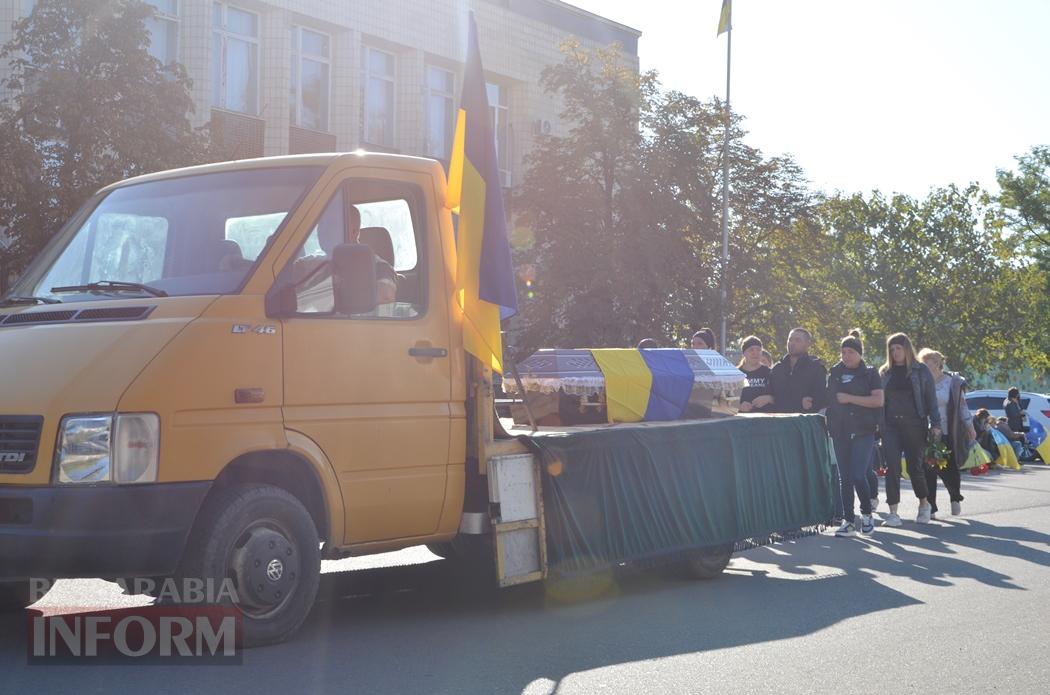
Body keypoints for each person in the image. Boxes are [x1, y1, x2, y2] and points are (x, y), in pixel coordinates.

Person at [879, 333, 940, 526]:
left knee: (915, 468)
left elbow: (931, 400)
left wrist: (936, 425)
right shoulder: (884, 372)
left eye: (898, 348)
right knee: (892, 468)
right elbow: (880, 401)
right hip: (890, 426)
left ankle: (924, 504)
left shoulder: (920, 370)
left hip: (915, 424)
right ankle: (893, 512)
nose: (895, 352)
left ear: (907, 349)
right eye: (892, 349)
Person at [826, 333, 884, 537]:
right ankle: (848, 520)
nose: (846, 356)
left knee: (859, 474)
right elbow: (830, 398)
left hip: (863, 430)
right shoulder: (834, 372)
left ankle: (867, 514)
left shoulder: (870, 373)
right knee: (845, 478)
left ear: (859, 353)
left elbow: (878, 401)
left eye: (851, 352)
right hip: (840, 430)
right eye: (843, 352)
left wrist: (850, 398)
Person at [918, 348, 976, 517]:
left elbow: (962, 406)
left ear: (938, 364)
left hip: (949, 431)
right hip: (928, 432)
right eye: (924, 363)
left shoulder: (952, 382)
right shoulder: (921, 382)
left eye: (930, 362)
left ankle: (955, 497)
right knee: (928, 469)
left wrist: (970, 426)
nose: (927, 366)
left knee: (950, 468)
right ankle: (931, 507)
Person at [768, 327, 827, 414]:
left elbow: (820, 398)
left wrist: (811, 403)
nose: (792, 343)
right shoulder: (777, 368)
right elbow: (772, 395)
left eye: (798, 340)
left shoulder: (816, 368)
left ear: (807, 344)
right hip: (779, 422)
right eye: (790, 340)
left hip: (804, 422)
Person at [737, 336, 774, 413]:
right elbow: (724, 401)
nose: (755, 353)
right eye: (751, 350)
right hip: (742, 420)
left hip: (765, 420)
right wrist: (738, 406)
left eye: (758, 350)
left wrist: (769, 398)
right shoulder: (736, 375)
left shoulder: (770, 373)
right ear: (744, 353)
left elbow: (782, 396)